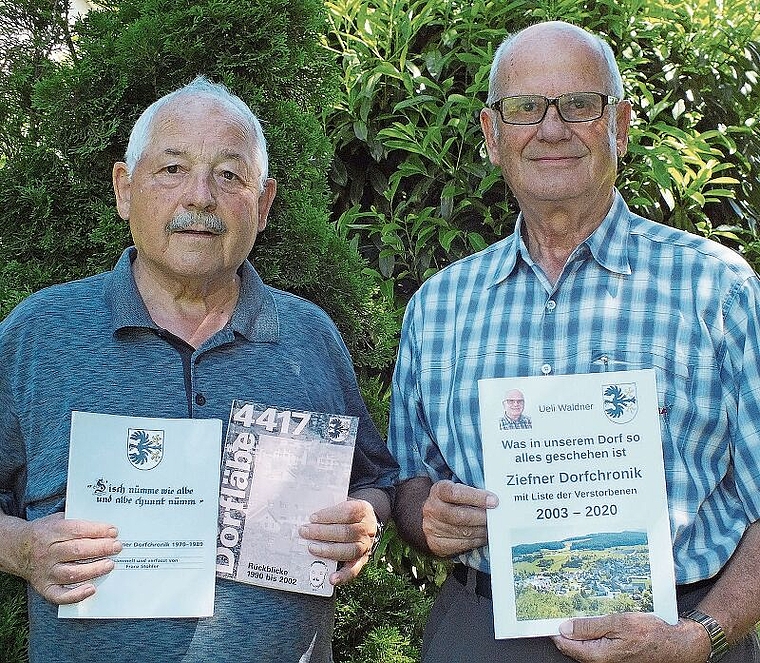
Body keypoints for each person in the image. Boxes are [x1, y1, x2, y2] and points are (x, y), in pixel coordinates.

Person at [387, 20, 760, 663]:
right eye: (525, 107)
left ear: (619, 123)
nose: (551, 128)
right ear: (492, 134)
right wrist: (425, 514)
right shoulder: (438, 306)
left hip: (673, 631)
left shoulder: (719, 290)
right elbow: (403, 482)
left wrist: (702, 636)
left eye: (579, 105)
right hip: (481, 634)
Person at [0, 76, 397, 663]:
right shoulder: (41, 332)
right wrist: (19, 548)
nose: (201, 197)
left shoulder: (309, 337)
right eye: (172, 169)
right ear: (123, 188)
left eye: (229, 174)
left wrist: (364, 522)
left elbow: (377, 482)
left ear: (263, 206)